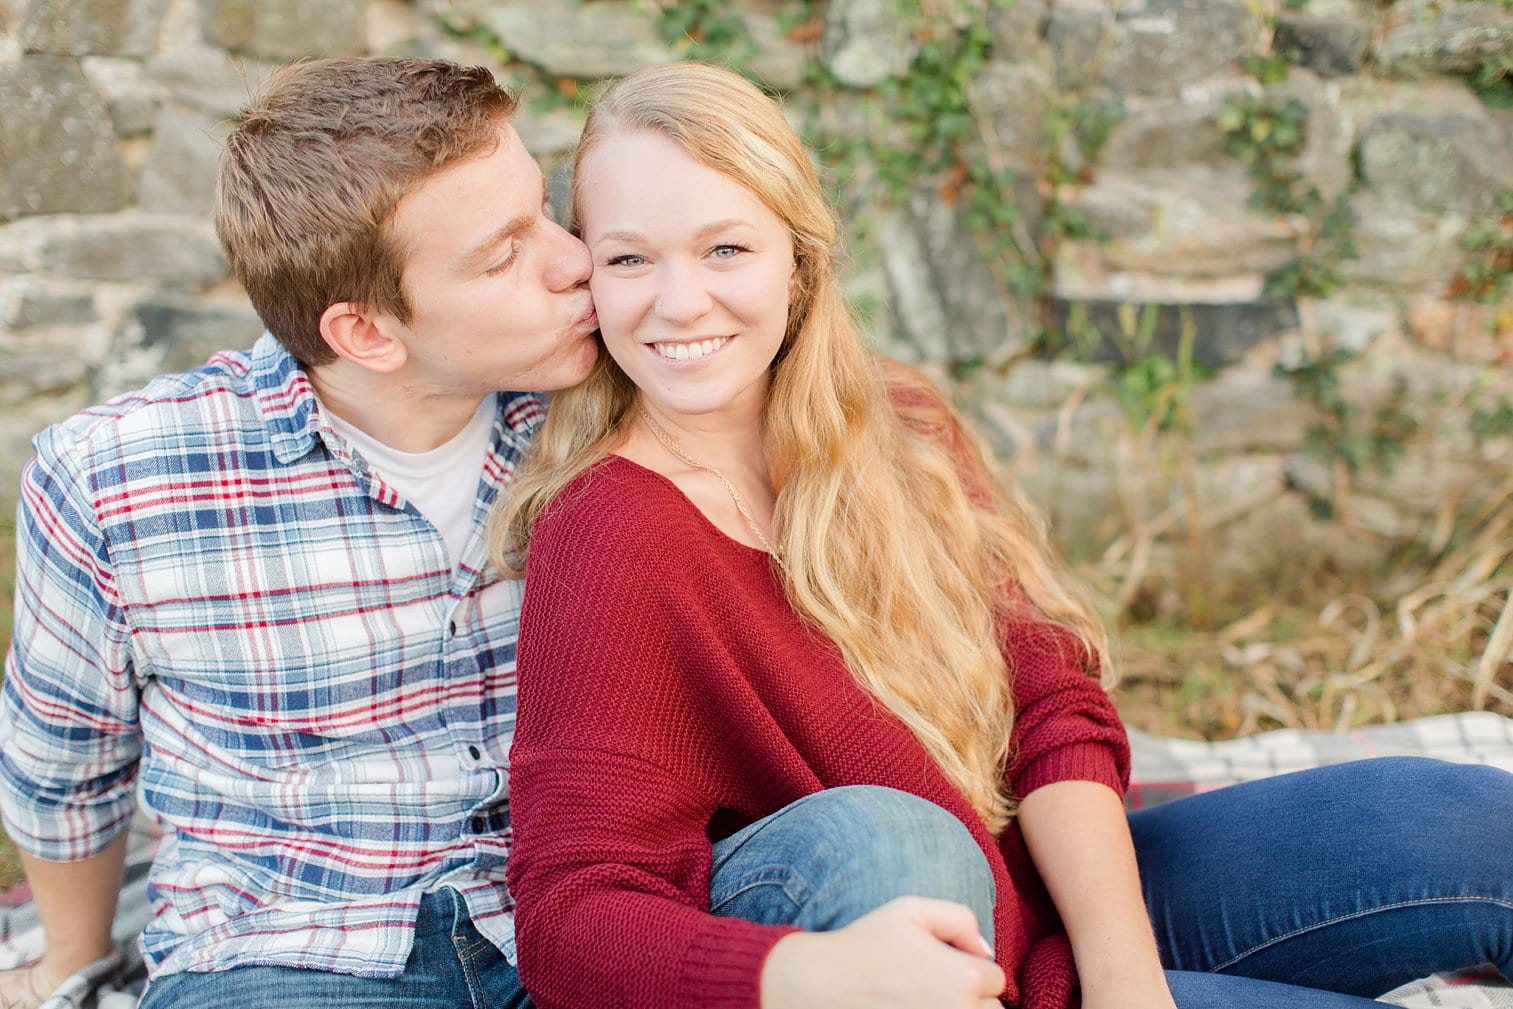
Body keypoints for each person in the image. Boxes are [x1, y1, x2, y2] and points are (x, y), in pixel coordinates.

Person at [492, 61, 1513, 1009]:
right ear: (591, 277)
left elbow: (1049, 707)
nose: (679, 301)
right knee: (896, 836)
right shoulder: (610, 532)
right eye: (629, 258)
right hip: (900, 959)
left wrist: (1124, 980)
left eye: (725, 248)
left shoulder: (896, 422)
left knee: (1477, 825)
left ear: (799, 265)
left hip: (1055, 910)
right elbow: (572, 916)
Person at [0, 57, 598, 1009]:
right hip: (293, 948)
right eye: (504, 253)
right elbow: (64, 761)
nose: (575, 261)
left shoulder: (606, 406)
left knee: (870, 840)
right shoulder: (115, 478)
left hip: (580, 916)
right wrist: (69, 964)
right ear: (365, 334)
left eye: (546, 209)